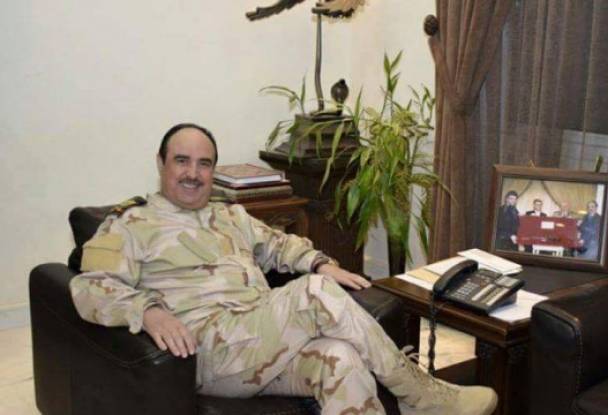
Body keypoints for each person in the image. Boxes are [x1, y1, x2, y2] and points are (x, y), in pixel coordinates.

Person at [69, 123, 497, 415]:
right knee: (313, 293)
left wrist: (319, 262)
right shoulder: (132, 223)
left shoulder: (229, 215)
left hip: (260, 343)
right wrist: (146, 311)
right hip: (208, 351)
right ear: (161, 162)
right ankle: (421, 396)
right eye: (182, 161)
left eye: (204, 164)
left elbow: (278, 244)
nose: (193, 174)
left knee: (340, 358)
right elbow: (90, 287)